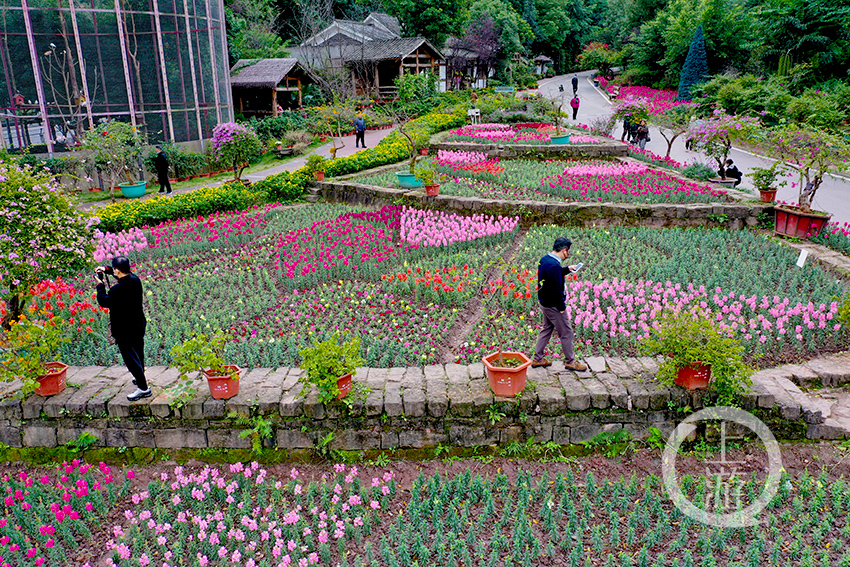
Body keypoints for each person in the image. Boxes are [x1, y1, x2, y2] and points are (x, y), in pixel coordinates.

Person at [95, 256, 150, 401]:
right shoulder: (134, 279)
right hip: (137, 324)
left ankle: (143, 388)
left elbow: (104, 302)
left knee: (131, 358)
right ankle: (140, 378)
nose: (113, 271)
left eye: (113, 269)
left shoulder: (118, 289)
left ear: (118, 271)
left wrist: (100, 285)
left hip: (124, 329)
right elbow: (119, 275)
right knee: (138, 352)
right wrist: (106, 270)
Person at [531, 237, 588, 371]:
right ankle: (570, 361)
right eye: (568, 251)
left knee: (547, 329)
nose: (568, 254)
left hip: (544, 302)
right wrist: (561, 307)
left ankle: (538, 358)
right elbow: (556, 289)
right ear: (564, 250)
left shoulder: (545, 259)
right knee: (567, 332)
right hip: (553, 306)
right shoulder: (554, 266)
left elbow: (550, 276)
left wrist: (567, 269)